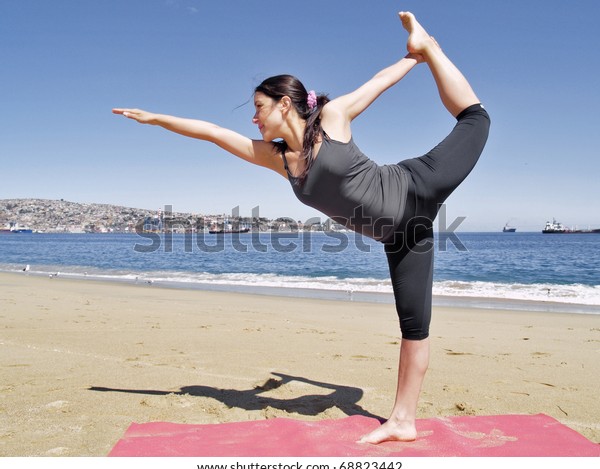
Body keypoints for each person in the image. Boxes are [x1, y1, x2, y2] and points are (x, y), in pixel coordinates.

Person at [113, 11, 490, 444]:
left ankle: (432, 47)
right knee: (414, 327)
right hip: (402, 237)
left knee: (476, 119)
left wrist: (415, 58)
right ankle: (404, 420)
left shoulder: (332, 119)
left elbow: (378, 83)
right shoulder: (278, 160)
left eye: (258, 107)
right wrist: (156, 118)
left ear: (284, 103)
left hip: (414, 186)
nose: (253, 118)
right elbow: (214, 133)